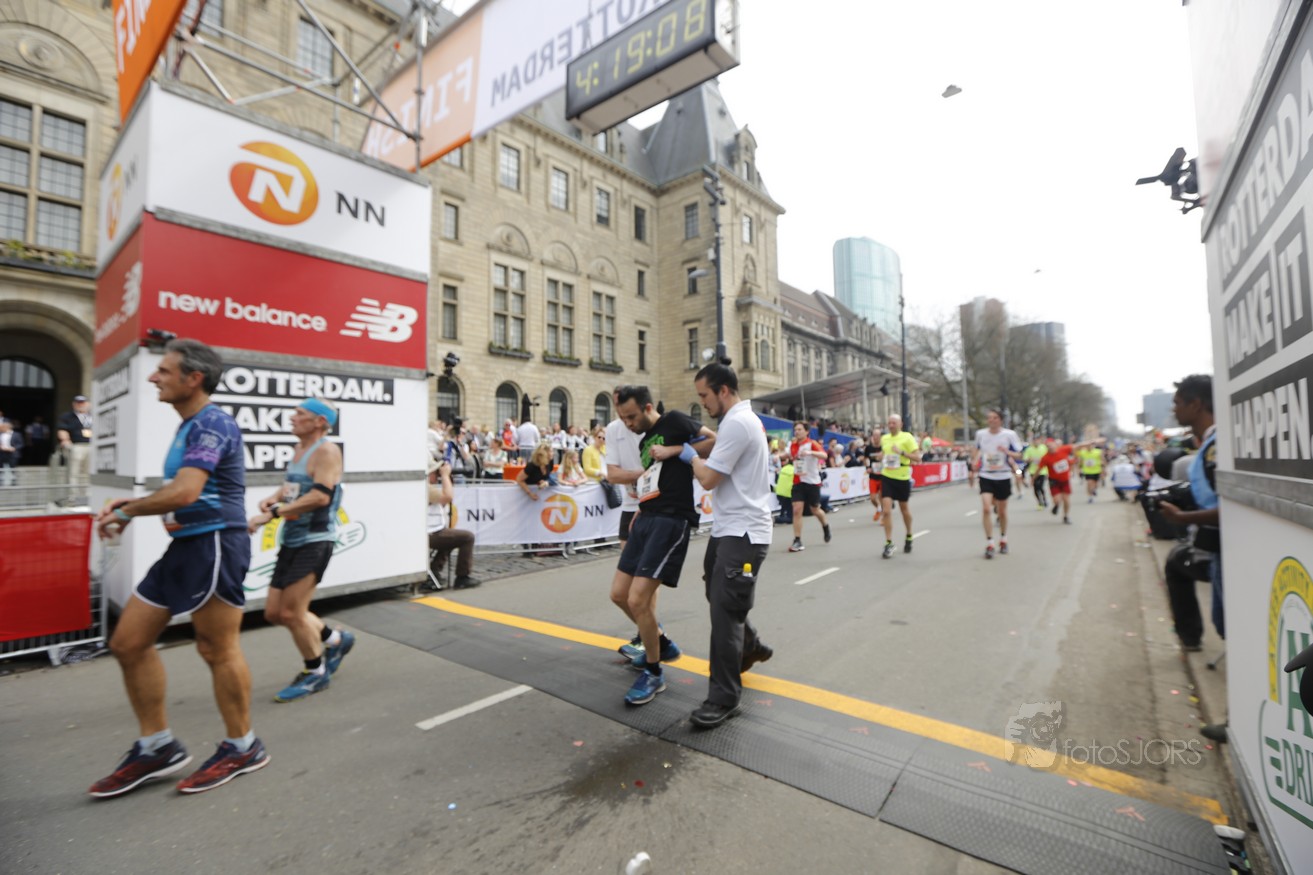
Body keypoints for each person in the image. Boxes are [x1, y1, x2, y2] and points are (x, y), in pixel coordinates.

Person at [89, 339, 268, 798]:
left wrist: (127, 511)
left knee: (216, 648)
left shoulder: (212, 422)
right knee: (128, 642)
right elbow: (184, 490)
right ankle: (157, 748)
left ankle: (243, 747)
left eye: (164, 371)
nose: (154, 377)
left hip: (215, 543)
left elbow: (186, 492)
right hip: (187, 546)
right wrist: (133, 504)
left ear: (194, 378)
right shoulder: (190, 424)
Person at [679, 362, 773, 728]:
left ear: (723, 390)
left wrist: (690, 457)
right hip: (728, 529)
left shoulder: (737, 423)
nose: (702, 402)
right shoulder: (739, 421)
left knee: (725, 612)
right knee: (717, 595)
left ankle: (723, 698)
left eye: (704, 395)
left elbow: (708, 479)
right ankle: (750, 645)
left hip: (743, 534)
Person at [610, 384, 714, 706]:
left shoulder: (676, 421)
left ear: (647, 407)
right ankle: (661, 641)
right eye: (623, 418)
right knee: (619, 595)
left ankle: (654, 673)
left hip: (671, 520)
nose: (628, 424)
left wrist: (675, 450)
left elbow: (715, 441)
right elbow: (653, 477)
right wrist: (641, 506)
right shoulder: (644, 441)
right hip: (646, 516)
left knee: (638, 599)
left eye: (631, 416)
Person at [245, 398, 354, 703]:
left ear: (320, 421)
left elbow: (320, 496)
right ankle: (336, 639)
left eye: (300, 414)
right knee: (274, 612)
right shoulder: (299, 450)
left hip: (315, 540)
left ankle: (315, 672)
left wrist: (275, 512)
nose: (292, 418)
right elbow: (293, 487)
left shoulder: (327, 451)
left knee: (291, 612)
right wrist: (274, 499)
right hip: (292, 539)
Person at [1160, 374, 1222, 651]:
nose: (1174, 410)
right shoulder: (1212, 443)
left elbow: (1230, 509)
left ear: (1196, 404)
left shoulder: (1215, 447)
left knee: (1226, 624)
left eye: (1177, 403)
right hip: (1219, 545)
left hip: (1220, 548)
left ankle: (1190, 638)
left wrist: (1182, 517)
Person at [969, 409, 1024, 559]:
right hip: (986, 475)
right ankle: (990, 543)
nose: (991, 420)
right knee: (986, 508)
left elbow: (1020, 454)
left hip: (1003, 475)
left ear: (1000, 420)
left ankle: (1003, 539)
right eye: (989, 418)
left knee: (1002, 511)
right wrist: (974, 461)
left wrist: (1007, 452)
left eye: (995, 418)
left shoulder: (1009, 435)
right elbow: (976, 450)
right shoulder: (981, 434)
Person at [425, 456, 480, 590]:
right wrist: (445, 476)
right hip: (429, 533)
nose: (437, 475)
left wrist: (446, 478)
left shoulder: (426, 487)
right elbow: (448, 497)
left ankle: (434, 570)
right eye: (435, 472)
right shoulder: (426, 488)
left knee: (451, 538)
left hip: (432, 531)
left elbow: (443, 501)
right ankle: (462, 577)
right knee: (467, 537)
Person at [878, 413, 922, 558]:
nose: (891, 425)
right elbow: (884, 453)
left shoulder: (907, 437)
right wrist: (881, 457)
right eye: (889, 423)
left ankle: (909, 535)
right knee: (886, 511)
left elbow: (918, 457)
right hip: (887, 476)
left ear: (900, 424)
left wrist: (902, 452)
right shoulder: (884, 438)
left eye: (894, 423)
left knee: (904, 509)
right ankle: (889, 543)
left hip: (902, 477)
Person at [787, 421, 831, 552]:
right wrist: (778, 456)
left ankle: (825, 526)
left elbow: (824, 455)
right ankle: (797, 540)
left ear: (806, 431)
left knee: (815, 509)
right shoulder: (793, 445)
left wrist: (811, 452)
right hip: (798, 481)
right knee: (797, 510)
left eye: (800, 429)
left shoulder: (812, 443)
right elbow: (790, 456)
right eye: (795, 430)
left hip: (812, 482)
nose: (797, 432)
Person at [56, 394, 93, 486]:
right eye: (78, 403)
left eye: (83, 403)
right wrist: (65, 440)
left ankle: (86, 492)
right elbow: (62, 429)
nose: (80, 405)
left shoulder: (93, 416)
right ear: (74, 404)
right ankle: (73, 492)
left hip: (91, 445)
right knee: (74, 471)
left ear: (88, 404)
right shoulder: (67, 416)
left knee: (89, 472)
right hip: (77, 445)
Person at [1022, 435, 1049, 509]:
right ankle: (1039, 502)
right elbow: (1025, 458)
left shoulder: (1044, 447)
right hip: (1033, 471)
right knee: (1035, 488)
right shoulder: (1029, 449)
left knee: (1040, 486)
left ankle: (1044, 499)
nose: (1036, 442)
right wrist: (1029, 459)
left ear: (1040, 441)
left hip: (1043, 471)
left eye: (1037, 440)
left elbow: (1049, 456)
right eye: (1034, 440)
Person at [865, 425, 884, 523]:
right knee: (872, 498)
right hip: (873, 475)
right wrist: (867, 467)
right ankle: (879, 508)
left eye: (877, 435)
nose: (876, 437)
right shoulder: (869, 448)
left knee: (881, 496)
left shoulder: (884, 447)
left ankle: (884, 517)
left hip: (883, 475)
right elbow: (866, 459)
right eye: (874, 435)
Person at [773, 453, 794, 524]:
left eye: (783, 460)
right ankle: (777, 520)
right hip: (788, 494)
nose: (782, 462)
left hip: (779, 493)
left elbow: (777, 481)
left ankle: (781, 517)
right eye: (781, 460)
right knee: (791, 518)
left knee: (784, 507)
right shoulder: (793, 469)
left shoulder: (781, 470)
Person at [0, 419, 21, 486]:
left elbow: (20, 444)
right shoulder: (0, 434)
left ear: (7, 427)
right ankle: (1, 482)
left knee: (13, 468)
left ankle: (14, 482)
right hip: (2, 453)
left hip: (12, 454)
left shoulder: (17, 434)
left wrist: (14, 448)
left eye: (1, 427)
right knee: (1, 468)